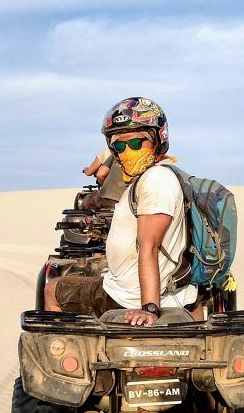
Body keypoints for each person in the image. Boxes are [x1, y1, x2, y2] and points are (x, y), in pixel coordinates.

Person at [43, 97, 199, 326]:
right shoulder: (147, 179)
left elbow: (149, 247)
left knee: (53, 289)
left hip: (125, 298)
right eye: (119, 145)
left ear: (158, 140)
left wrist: (149, 308)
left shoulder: (156, 180)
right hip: (130, 288)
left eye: (136, 144)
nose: (127, 151)